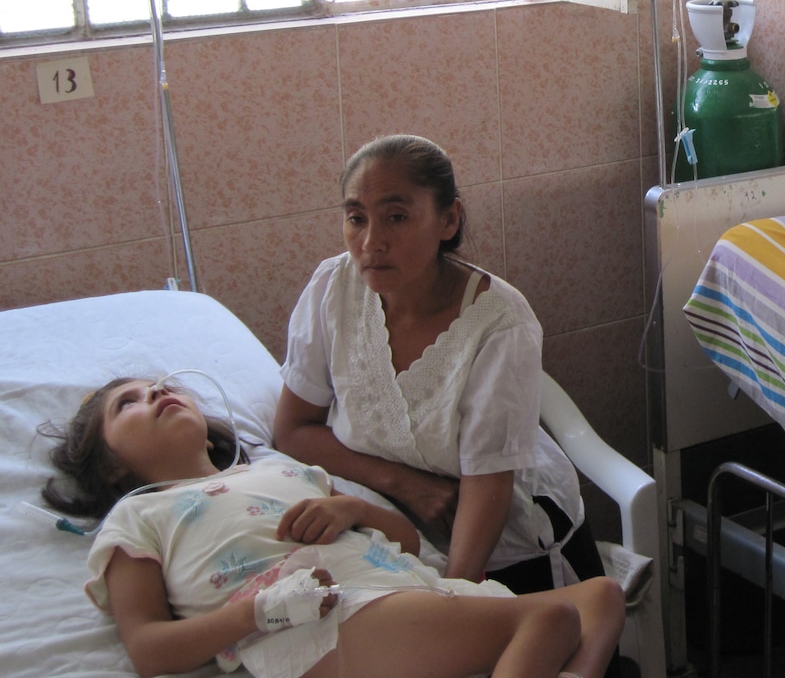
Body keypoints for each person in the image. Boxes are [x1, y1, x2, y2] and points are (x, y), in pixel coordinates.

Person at [41, 376, 625, 678]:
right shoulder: (138, 515)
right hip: (316, 627)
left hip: (410, 594)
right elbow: (146, 649)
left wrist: (351, 509)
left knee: (601, 597)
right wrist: (254, 613)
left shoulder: (281, 470)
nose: (158, 392)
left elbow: (407, 542)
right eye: (130, 403)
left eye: (163, 385)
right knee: (549, 617)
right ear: (111, 462)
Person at [274, 135, 601, 595]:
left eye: (397, 217)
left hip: (507, 546)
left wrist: (454, 597)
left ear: (449, 219)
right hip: (389, 537)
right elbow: (292, 430)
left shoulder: (499, 321)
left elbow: (489, 484)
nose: (371, 242)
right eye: (355, 219)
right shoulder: (334, 288)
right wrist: (407, 486)